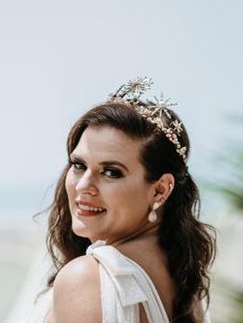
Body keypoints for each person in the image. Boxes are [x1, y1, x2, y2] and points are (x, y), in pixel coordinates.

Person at [28, 77, 215, 323]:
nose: (84, 185)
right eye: (79, 165)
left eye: (111, 172)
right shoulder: (183, 283)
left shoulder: (87, 278)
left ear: (160, 190)